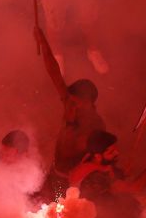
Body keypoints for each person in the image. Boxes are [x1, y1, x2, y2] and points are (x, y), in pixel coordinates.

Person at [34, 25, 105, 200]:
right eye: (69, 100)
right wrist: (43, 43)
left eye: (75, 102)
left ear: (87, 103)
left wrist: (73, 127)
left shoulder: (95, 125)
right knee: (44, 207)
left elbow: (93, 156)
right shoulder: (70, 104)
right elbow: (55, 73)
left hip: (75, 183)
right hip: (55, 173)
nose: (69, 104)